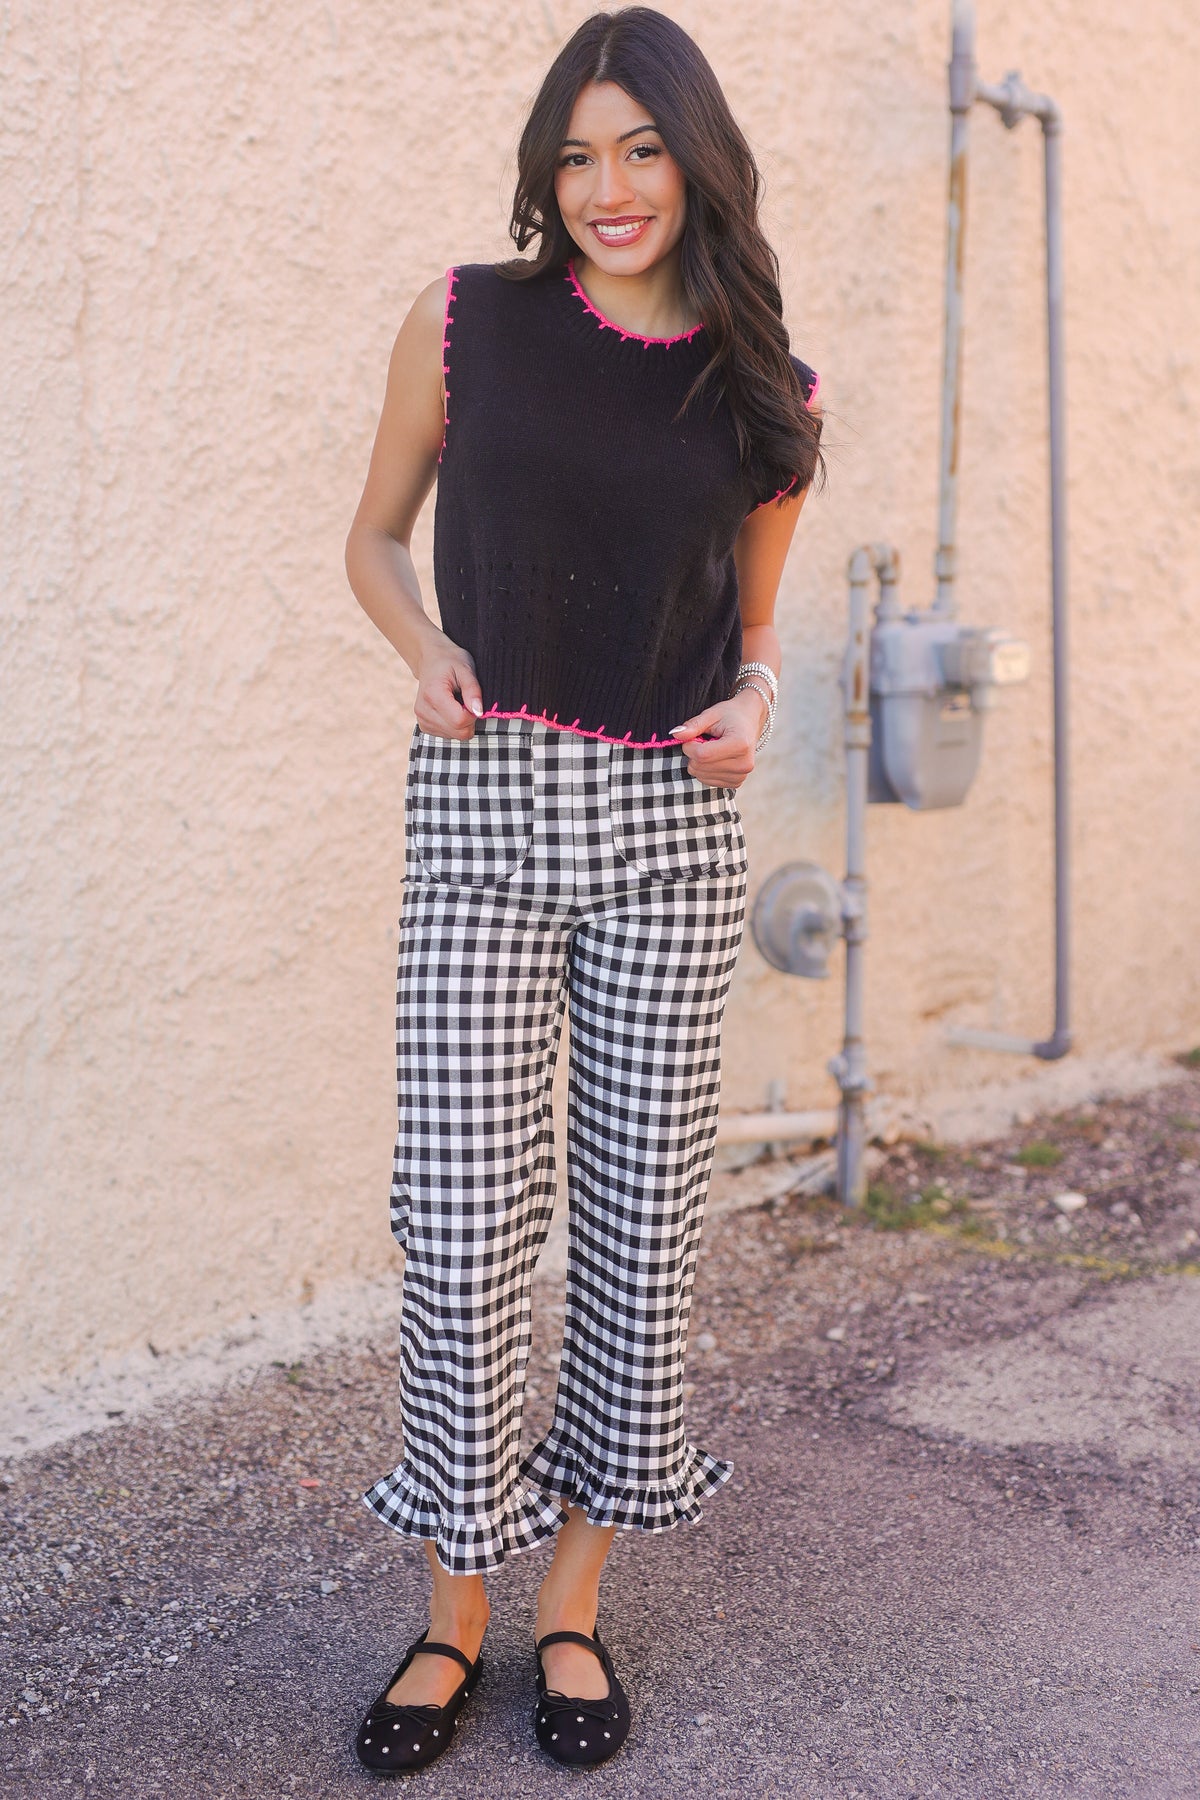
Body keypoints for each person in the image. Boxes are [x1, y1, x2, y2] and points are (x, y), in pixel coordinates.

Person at [342, 4, 824, 1774]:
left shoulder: (768, 389)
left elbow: (756, 633)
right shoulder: (466, 319)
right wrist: (426, 650)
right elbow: (372, 537)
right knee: (463, 1222)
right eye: (576, 155)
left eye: (640, 149)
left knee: (639, 1225)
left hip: (666, 832)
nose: (609, 188)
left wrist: (754, 706)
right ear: (543, 174)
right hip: (486, 804)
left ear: (698, 160)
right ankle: (451, 1605)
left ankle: (571, 1603)